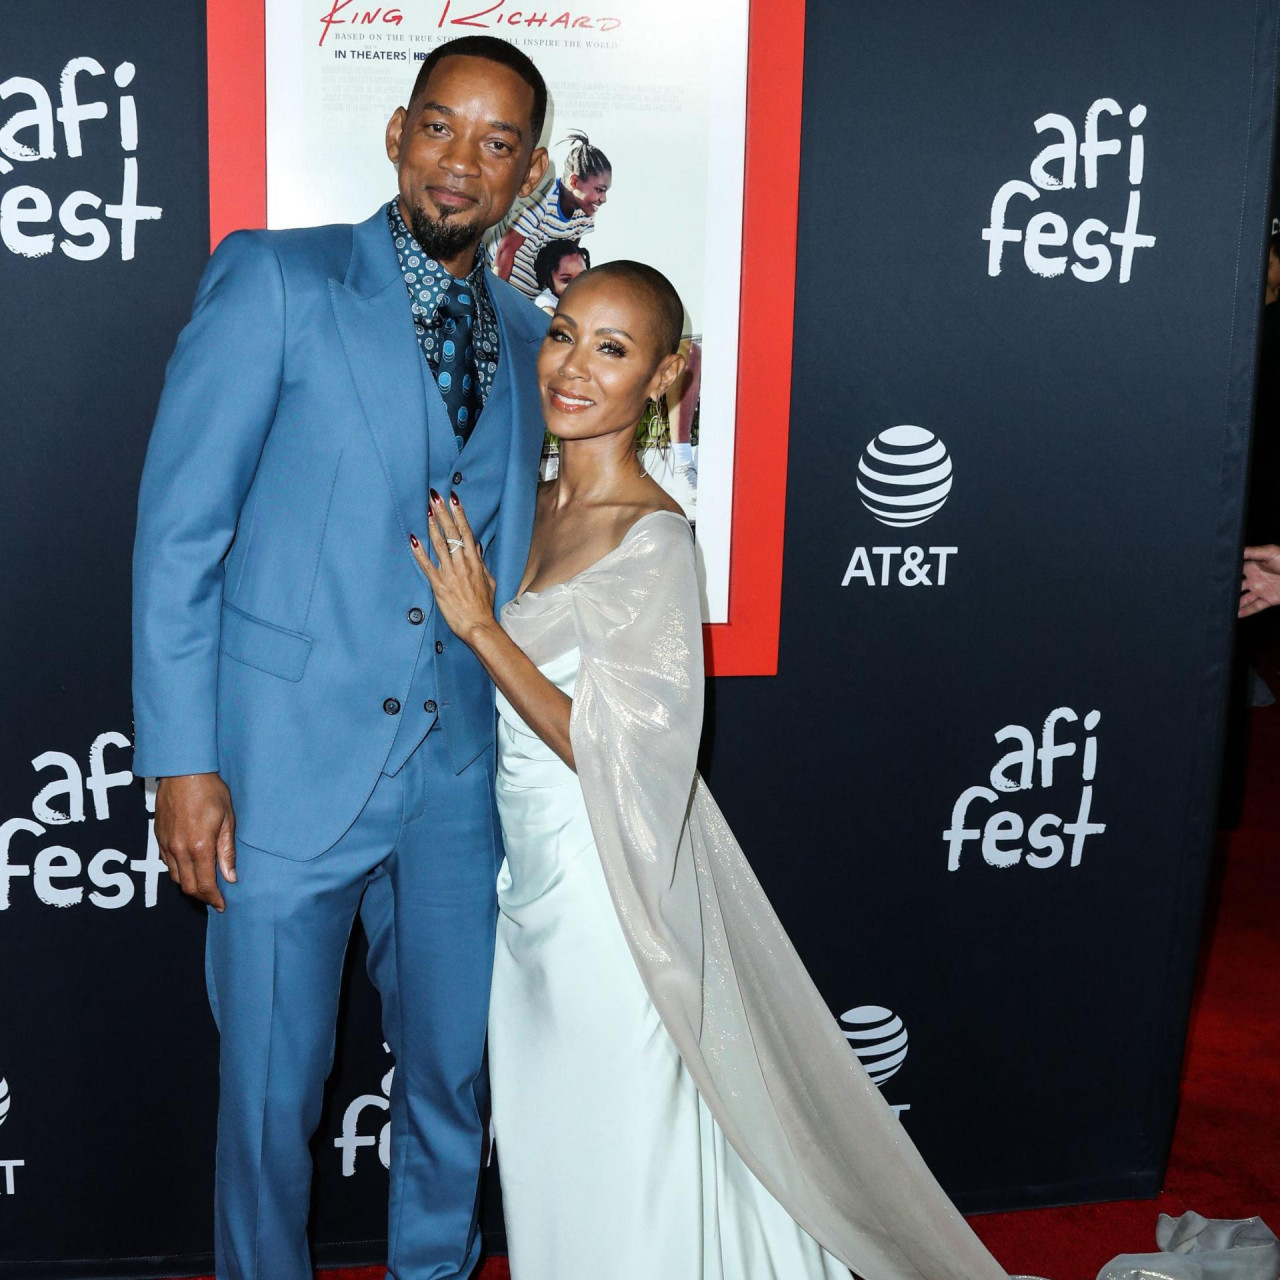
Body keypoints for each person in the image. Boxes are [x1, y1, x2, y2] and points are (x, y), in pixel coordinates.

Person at [409, 262, 1009, 1280]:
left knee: (621, 1129)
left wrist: (481, 629)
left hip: (609, 888)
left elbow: (618, 751)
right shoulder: (529, 504)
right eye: (563, 334)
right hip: (525, 878)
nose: (572, 367)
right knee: (557, 1129)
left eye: (612, 349)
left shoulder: (652, 540)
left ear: (663, 378)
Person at [131, 36, 550, 1280]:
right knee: (270, 1098)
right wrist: (182, 760)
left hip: (454, 774)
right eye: (439, 126)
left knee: (451, 1077)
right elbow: (180, 536)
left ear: (528, 174)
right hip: (281, 771)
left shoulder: (530, 332)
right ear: (395, 133)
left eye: (494, 142)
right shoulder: (275, 279)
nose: (459, 162)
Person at [491, 129, 611, 298]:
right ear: (574, 182)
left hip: (532, 296)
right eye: (599, 190)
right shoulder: (541, 200)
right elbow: (506, 250)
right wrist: (497, 302)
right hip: (502, 286)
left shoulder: (584, 215)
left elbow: (567, 260)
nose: (604, 199)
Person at [530, 236, 590, 314]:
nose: (576, 285)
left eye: (581, 277)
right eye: (566, 280)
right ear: (548, 280)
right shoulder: (546, 303)